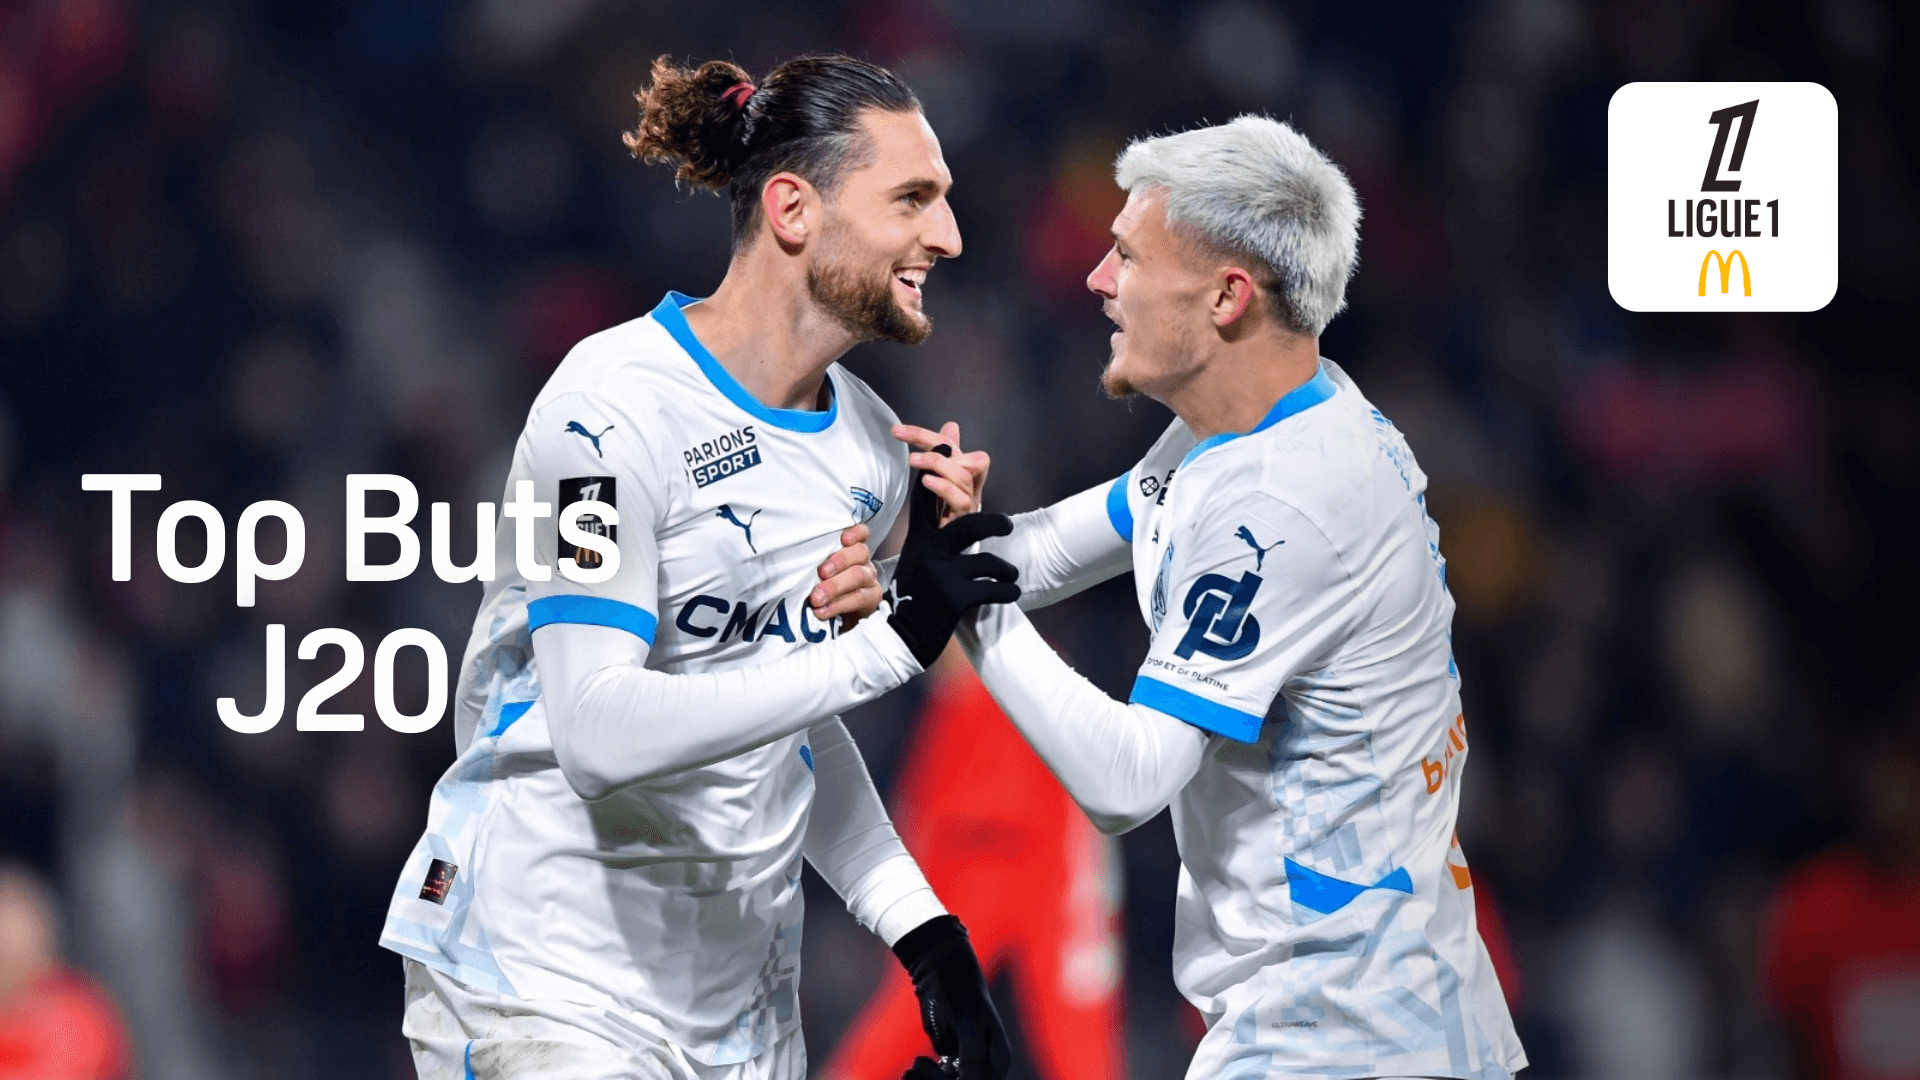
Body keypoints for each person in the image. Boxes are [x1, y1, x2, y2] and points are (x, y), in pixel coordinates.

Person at [378, 54, 1018, 1080]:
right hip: (540, 978)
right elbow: (596, 729)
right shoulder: (603, 415)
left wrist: (921, 930)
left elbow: (782, 726)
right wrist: (889, 646)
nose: (947, 235)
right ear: (793, 209)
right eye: (912, 199)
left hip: (739, 1014)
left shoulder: (867, 449)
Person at [896, 116, 1528, 1079]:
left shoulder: (1283, 503)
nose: (1097, 280)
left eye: (1127, 257)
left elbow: (1127, 781)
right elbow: (1049, 551)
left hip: (1341, 1039)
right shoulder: (1258, 421)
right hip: (1382, 1015)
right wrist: (930, 548)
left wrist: (973, 612)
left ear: (1228, 296)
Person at [824, 652, 1126, 1080]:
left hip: (1050, 876)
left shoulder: (1034, 681)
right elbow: (921, 826)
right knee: (904, 1020)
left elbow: (1083, 823)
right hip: (973, 876)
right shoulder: (946, 709)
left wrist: (1090, 904)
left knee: (1080, 1045)